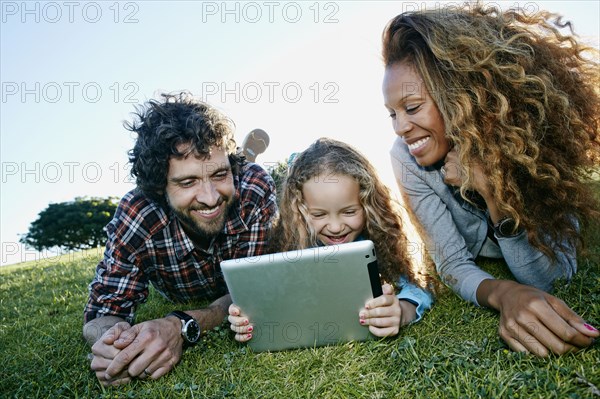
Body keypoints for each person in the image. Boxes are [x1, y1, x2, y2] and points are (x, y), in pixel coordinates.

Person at [382, 4, 600, 357]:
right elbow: (453, 265)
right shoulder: (405, 156)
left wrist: (491, 190)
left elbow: (551, 277)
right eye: (392, 114)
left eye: (412, 107)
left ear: (457, 96)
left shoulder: (523, 142)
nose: (400, 127)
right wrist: (504, 293)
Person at [83, 92, 278, 386]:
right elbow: (103, 312)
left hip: (230, 272)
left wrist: (181, 323)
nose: (210, 198)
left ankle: (245, 156)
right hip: (181, 289)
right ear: (160, 186)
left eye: (219, 174)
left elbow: (255, 289)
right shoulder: (138, 214)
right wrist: (115, 344)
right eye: (188, 182)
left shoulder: (252, 188)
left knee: (262, 178)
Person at [229, 138, 434, 342]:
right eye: (319, 215)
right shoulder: (290, 246)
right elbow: (265, 296)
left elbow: (418, 284)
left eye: (349, 211)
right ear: (300, 211)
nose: (335, 227)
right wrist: (244, 317)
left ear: (368, 206)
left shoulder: (375, 240)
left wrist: (402, 310)